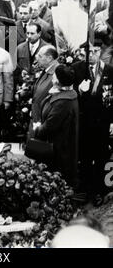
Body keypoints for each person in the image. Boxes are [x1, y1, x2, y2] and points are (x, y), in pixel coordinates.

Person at [72, 44, 113, 205]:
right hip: (83, 122)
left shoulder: (109, 70)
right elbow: (69, 91)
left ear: (100, 52)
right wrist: (79, 90)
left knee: (101, 157)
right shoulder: (76, 68)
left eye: (96, 51)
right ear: (84, 53)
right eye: (89, 52)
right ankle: (86, 190)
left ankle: (99, 191)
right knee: (85, 158)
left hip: (102, 122)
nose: (93, 54)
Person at [33, 64, 79, 187]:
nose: (52, 77)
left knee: (55, 180)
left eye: (54, 76)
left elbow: (50, 126)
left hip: (58, 149)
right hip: (56, 146)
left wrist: (37, 128)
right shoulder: (63, 94)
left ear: (58, 81)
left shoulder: (63, 102)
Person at [31, 45, 59, 123]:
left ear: (49, 58)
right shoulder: (46, 70)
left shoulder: (57, 74)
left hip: (45, 122)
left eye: (40, 56)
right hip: (37, 118)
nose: (36, 57)